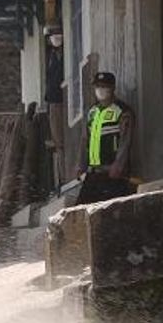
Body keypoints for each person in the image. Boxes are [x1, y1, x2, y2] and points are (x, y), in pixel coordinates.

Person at [75, 72, 135, 205]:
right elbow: (85, 141)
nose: (100, 90)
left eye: (104, 87)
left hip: (113, 174)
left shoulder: (122, 111)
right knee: (80, 211)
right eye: (98, 87)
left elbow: (125, 142)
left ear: (112, 88)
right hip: (93, 173)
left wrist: (118, 166)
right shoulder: (92, 112)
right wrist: (80, 166)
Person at [44, 26, 65, 187]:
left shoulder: (64, 55)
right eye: (53, 37)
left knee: (60, 141)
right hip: (53, 100)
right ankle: (60, 178)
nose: (56, 39)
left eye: (59, 36)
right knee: (56, 140)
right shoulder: (50, 55)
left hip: (61, 99)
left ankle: (63, 177)